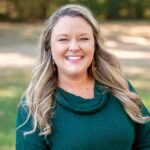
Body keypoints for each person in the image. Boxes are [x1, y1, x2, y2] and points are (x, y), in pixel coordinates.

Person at [16, 4, 150, 150]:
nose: (74, 47)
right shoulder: (34, 104)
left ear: (95, 44)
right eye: (63, 39)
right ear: (49, 47)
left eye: (83, 38)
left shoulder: (120, 88)